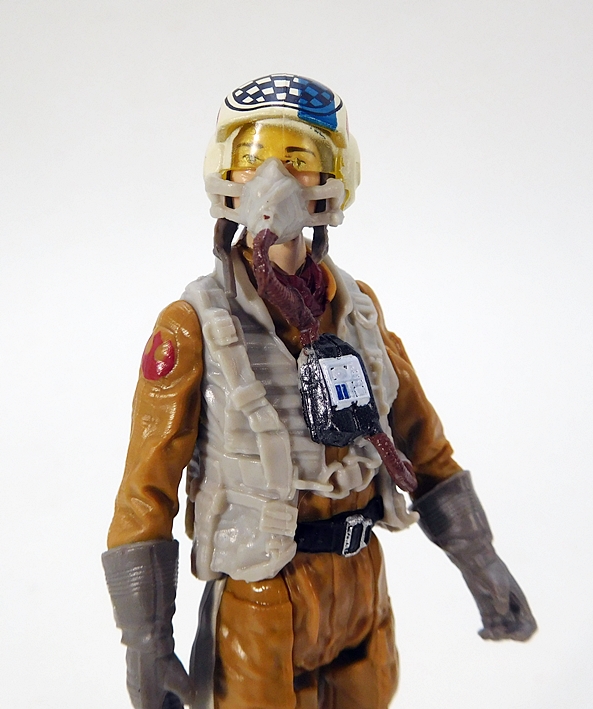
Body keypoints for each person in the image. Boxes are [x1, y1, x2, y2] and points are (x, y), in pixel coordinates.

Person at [102, 73, 536, 709]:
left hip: (361, 583)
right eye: (253, 157)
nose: (273, 179)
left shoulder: (357, 310)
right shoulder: (195, 326)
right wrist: (145, 638)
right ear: (225, 172)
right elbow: (147, 487)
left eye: (298, 158)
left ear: (334, 175)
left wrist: (480, 560)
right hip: (261, 597)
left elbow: (421, 444)